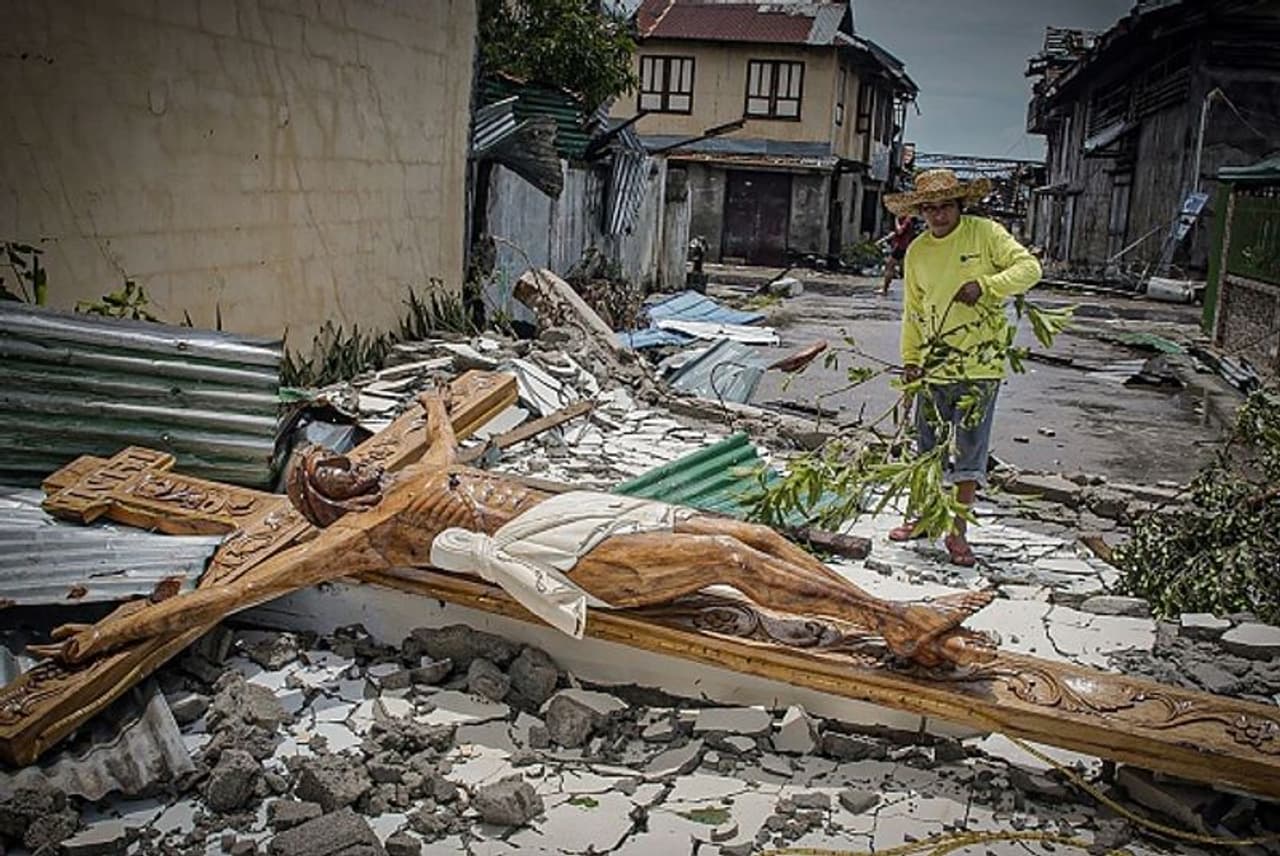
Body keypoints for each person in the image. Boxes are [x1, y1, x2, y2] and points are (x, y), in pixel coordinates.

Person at [881, 169, 1042, 566]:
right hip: (934, 366)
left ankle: (958, 534)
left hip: (979, 367)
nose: (938, 214)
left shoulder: (985, 234)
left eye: (946, 206)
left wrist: (985, 286)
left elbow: (1030, 270)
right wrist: (911, 361)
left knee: (969, 456)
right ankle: (921, 518)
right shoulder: (917, 251)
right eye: (930, 208)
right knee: (927, 451)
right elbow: (913, 312)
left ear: (960, 205)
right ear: (921, 211)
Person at [879, 213, 919, 294]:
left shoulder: (907, 220)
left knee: (890, 266)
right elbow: (896, 233)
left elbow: (900, 231)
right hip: (903, 246)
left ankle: (885, 289)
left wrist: (896, 220)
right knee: (903, 269)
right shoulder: (907, 219)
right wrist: (883, 240)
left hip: (900, 246)